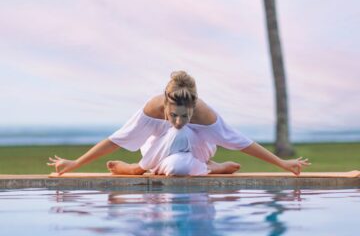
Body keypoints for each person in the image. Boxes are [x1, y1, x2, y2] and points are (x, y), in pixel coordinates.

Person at [47, 71, 311, 176]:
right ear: (165, 103)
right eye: (173, 114)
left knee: (182, 139)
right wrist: (74, 164)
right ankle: (205, 170)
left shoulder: (205, 115)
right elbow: (117, 139)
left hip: (197, 150)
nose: (177, 120)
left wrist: (284, 164)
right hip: (156, 153)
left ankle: (145, 169)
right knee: (176, 161)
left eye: (184, 115)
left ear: (193, 107)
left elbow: (242, 142)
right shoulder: (152, 108)